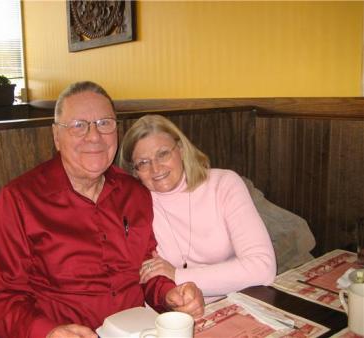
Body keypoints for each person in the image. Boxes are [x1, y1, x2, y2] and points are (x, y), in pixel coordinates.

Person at [0, 82, 204, 338]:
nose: (94, 136)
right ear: (56, 136)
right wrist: (47, 332)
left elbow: (147, 269)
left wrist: (168, 294)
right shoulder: (19, 199)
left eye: (104, 123)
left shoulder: (135, 192)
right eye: (78, 125)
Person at [118, 114, 277, 300]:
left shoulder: (224, 184)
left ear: (181, 150)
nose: (156, 168)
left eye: (163, 154)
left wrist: (178, 275)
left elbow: (263, 268)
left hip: (233, 302)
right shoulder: (136, 206)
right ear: (134, 172)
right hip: (174, 312)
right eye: (143, 163)